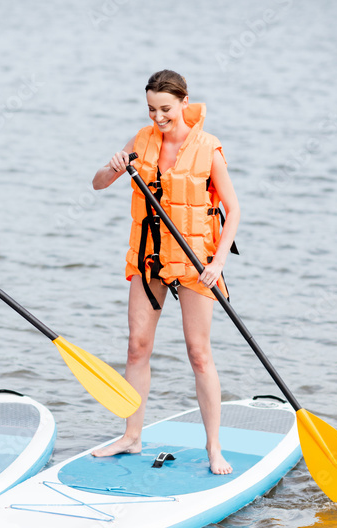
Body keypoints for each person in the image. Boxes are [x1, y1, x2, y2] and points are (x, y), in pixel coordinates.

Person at [90, 70, 241, 475]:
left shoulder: (209, 149)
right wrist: (113, 165)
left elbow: (235, 210)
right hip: (151, 260)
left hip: (196, 263)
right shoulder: (141, 141)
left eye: (166, 109)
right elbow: (98, 184)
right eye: (152, 109)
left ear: (185, 102)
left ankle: (214, 448)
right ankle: (131, 436)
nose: (158, 117)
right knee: (137, 347)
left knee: (199, 354)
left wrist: (218, 262)